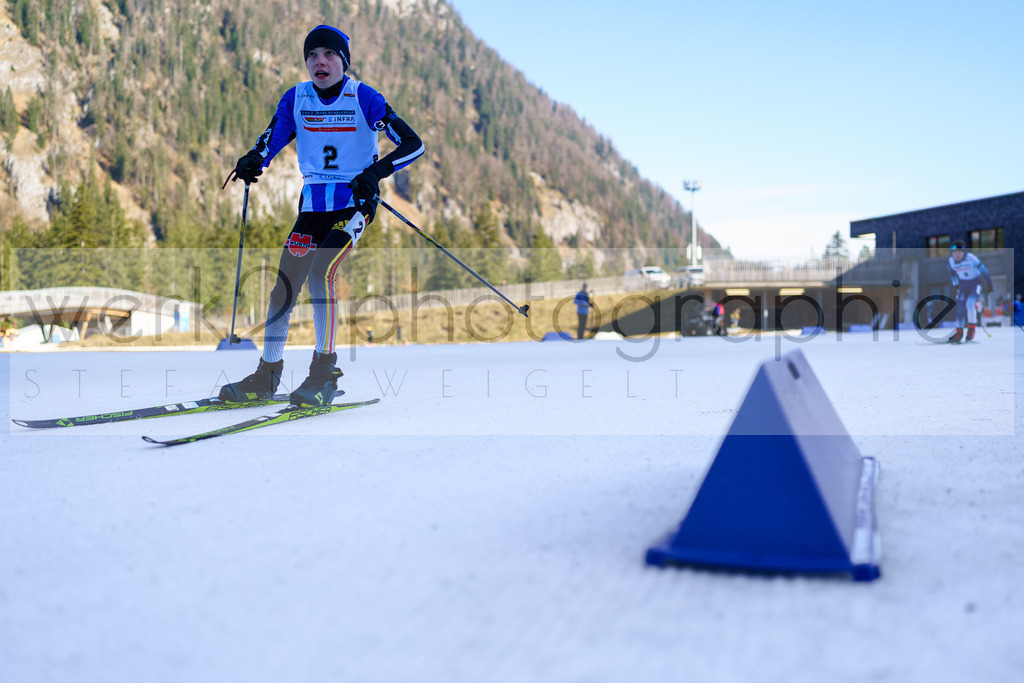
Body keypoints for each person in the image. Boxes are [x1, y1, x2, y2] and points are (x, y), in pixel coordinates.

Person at [220, 25, 424, 405]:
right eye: (312, 55)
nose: (320, 61)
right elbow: (272, 137)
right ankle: (267, 374)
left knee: (321, 271)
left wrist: (374, 173)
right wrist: (253, 159)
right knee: (284, 285)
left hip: (354, 203)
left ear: (343, 62)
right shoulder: (296, 98)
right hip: (313, 205)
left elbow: (414, 144)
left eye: (329, 54)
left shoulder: (363, 97)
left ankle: (324, 373)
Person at [946, 239, 993, 343]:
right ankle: (959, 333)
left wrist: (989, 285)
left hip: (975, 283)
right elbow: (953, 275)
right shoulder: (951, 261)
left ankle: (971, 331)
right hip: (963, 285)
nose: (956, 255)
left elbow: (984, 271)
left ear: (963, 252)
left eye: (959, 252)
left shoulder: (971, 258)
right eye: (954, 253)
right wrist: (956, 286)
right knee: (960, 308)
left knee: (970, 304)